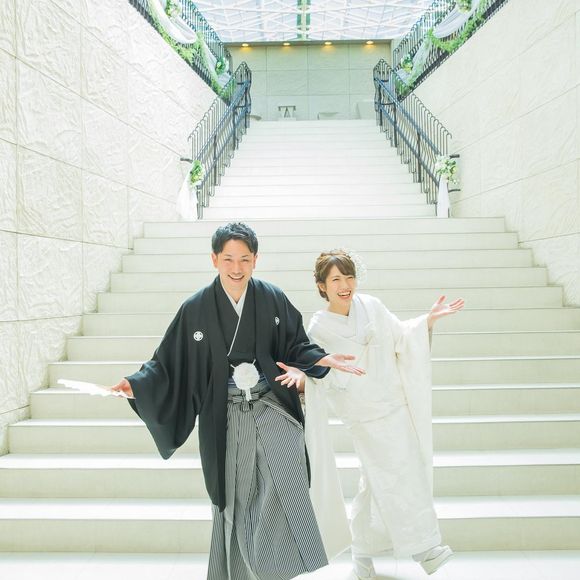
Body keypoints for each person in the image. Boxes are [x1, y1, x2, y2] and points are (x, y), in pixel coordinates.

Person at [110, 224, 364, 580]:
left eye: (245, 259)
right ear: (214, 259)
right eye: (228, 259)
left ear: (255, 260)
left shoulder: (271, 298)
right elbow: (169, 362)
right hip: (227, 414)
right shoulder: (196, 308)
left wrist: (321, 359)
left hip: (272, 406)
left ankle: (275, 570)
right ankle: (243, 573)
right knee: (236, 497)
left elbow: (295, 343)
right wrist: (138, 385)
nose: (236, 267)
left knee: (288, 484)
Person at [279, 249, 464, 579]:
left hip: (394, 404)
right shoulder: (318, 328)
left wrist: (427, 321)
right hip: (362, 415)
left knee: (381, 479)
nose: (345, 285)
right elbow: (321, 374)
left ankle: (362, 550)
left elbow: (402, 336)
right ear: (322, 286)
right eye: (336, 279)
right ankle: (425, 547)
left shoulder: (372, 306)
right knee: (398, 475)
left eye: (349, 277)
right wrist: (303, 377)